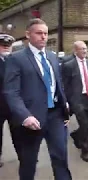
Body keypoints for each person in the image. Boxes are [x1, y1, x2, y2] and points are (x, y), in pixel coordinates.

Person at [3, 18, 72, 180]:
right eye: (39, 33)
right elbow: (11, 92)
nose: (43, 37)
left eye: (46, 34)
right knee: (29, 161)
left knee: (61, 157)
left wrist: (64, 107)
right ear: (28, 35)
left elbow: (57, 84)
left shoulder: (52, 57)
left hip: (55, 115)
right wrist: (24, 115)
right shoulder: (16, 59)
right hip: (32, 117)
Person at [62, 41, 88, 162]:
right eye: (82, 49)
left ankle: (76, 135)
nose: (84, 51)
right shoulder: (68, 65)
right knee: (84, 124)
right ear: (75, 50)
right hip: (77, 99)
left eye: (85, 49)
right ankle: (85, 151)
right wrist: (67, 101)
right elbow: (65, 85)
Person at [0, 33, 16, 167]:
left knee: (19, 134)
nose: (6, 48)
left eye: (8, 45)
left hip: (14, 106)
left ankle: (25, 156)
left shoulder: (17, 61)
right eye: (3, 45)